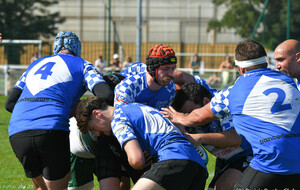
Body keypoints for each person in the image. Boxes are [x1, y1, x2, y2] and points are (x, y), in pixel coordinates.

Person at [162, 39, 300, 189]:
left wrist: (180, 118)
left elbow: (198, 117)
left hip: (269, 161)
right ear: (266, 62)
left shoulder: (234, 92)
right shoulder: (289, 82)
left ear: (240, 69)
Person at [6, 30, 114, 190]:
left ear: (55, 48)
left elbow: (10, 103)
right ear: (77, 49)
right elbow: (106, 93)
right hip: (51, 129)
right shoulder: (82, 64)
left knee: (41, 188)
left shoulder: (35, 64)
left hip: (17, 133)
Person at [75, 96, 208, 190]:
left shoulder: (118, 119)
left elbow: (136, 160)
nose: (98, 134)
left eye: (93, 128)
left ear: (97, 114)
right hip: (198, 166)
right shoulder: (135, 106)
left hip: (173, 159)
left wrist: (139, 163)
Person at [172, 82, 253, 190]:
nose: (189, 119)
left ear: (206, 102)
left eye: (192, 113)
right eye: (185, 115)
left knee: (223, 186)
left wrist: (201, 138)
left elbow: (237, 138)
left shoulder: (223, 106)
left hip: (251, 153)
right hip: (226, 160)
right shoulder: (186, 118)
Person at [114, 44, 178, 110]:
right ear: (150, 68)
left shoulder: (171, 88)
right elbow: (120, 117)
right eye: (165, 68)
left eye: (173, 68)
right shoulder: (128, 87)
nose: (171, 74)